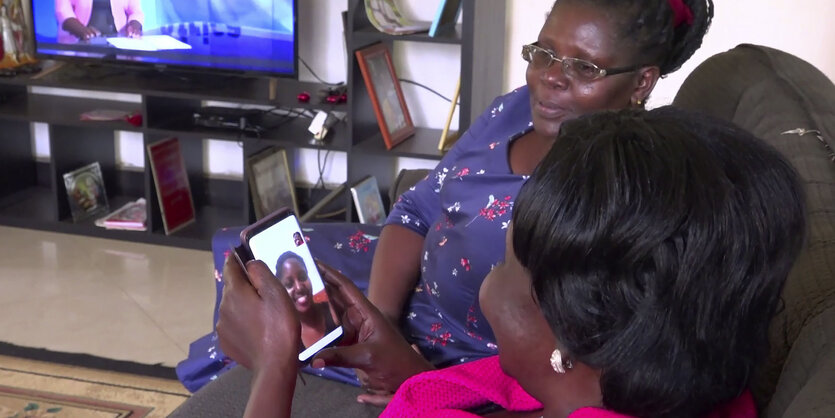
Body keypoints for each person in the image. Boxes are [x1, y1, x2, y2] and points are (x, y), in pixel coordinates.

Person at [174, 0, 715, 409]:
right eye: (545, 53)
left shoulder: (613, 190)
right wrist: (380, 313)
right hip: (399, 294)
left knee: (281, 327)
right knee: (258, 262)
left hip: (453, 352)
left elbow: (559, 368)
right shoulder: (514, 111)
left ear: (642, 81)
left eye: (586, 68)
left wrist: (406, 364)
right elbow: (415, 210)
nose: (552, 77)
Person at [215, 107, 808, 417]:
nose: (490, 279)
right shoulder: (685, 376)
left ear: (568, 336)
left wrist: (274, 368)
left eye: (504, 260)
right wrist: (411, 370)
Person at [275, 251, 338, 349]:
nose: (299, 287)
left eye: (302, 277)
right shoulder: (290, 341)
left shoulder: (332, 310)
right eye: (289, 284)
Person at [55, 0, 144, 42]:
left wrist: (134, 26)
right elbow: (62, 10)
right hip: (81, 43)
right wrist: (81, 30)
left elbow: (136, 12)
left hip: (118, 42)